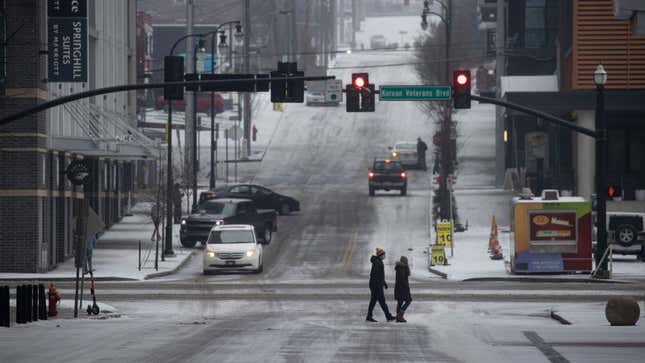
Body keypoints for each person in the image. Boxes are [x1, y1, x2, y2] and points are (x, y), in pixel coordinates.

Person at [366, 247, 396, 322]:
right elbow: (375, 275)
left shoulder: (378, 261)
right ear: (380, 255)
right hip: (376, 286)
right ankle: (388, 316)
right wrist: (379, 285)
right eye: (383, 254)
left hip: (375, 285)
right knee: (380, 302)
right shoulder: (377, 262)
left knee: (375, 302)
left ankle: (370, 316)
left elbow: (380, 275)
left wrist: (384, 283)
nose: (384, 256)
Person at [394, 256, 412, 323]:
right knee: (409, 301)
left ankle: (398, 317)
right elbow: (402, 279)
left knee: (400, 302)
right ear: (404, 261)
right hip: (402, 288)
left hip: (399, 288)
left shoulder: (401, 267)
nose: (407, 262)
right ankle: (400, 316)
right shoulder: (401, 268)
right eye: (406, 261)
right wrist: (406, 286)